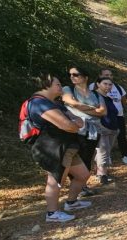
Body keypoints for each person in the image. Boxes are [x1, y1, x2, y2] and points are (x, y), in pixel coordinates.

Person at [24, 74, 93, 222]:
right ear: (46, 85)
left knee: (83, 175)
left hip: (67, 147)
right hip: (52, 148)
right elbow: (68, 125)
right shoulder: (39, 103)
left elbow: (78, 121)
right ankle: (52, 213)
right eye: (58, 84)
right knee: (56, 179)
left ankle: (71, 203)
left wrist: (74, 123)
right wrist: (74, 124)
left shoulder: (54, 103)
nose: (61, 87)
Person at [62, 66, 105, 195]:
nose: (72, 77)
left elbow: (103, 112)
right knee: (75, 158)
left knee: (87, 157)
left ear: (85, 77)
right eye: (70, 74)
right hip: (75, 129)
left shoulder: (96, 94)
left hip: (93, 131)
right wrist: (94, 109)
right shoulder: (68, 89)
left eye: (76, 74)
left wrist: (78, 106)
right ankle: (76, 188)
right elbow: (71, 102)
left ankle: (82, 187)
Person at [90, 68, 127, 165]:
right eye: (106, 75)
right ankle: (101, 159)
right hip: (102, 116)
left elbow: (123, 99)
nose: (109, 77)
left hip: (118, 115)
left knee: (121, 136)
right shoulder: (93, 86)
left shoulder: (118, 87)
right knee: (102, 137)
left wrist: (120, 108)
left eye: (110, 75)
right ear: (100, 76)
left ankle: (124, 156)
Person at [93, 77, 120, 184]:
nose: (108, 86)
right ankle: (102, 175)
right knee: (103, 151)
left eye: (110, 84)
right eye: (105, 84)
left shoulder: (108, 97)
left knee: (106, 151)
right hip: (102, 128)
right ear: (98, 84)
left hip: (112, 128)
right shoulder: (94, 96)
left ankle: (99, 172)